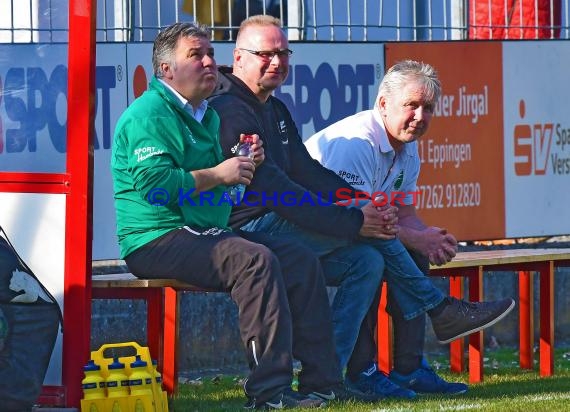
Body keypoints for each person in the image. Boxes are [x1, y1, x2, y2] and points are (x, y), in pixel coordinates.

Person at [208, 15, 515, 399]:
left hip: (289, 227)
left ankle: (332, 379)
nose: (277, 61)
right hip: (246, 236)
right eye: (265, 54)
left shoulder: (274, 108)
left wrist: (366, 209)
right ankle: (438, 310)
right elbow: (280, 192)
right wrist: (358, 218)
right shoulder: (234, 110)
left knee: (368, 259)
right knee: (382, 240)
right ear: (239, 57)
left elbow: (309, 174)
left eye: (283, 53)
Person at [110, 21, 375, 410]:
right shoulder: (149, 115)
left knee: (297, 258)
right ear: (166, 70)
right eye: (195, 55)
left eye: (209, 54)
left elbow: (227, 192)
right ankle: (269, 392)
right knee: (254, 260)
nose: (208, 63)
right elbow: (157, 188)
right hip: (154, 238)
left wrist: (245, 168)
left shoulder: (206, 116)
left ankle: (323, 383)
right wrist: (222, 172)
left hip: (202, 230)